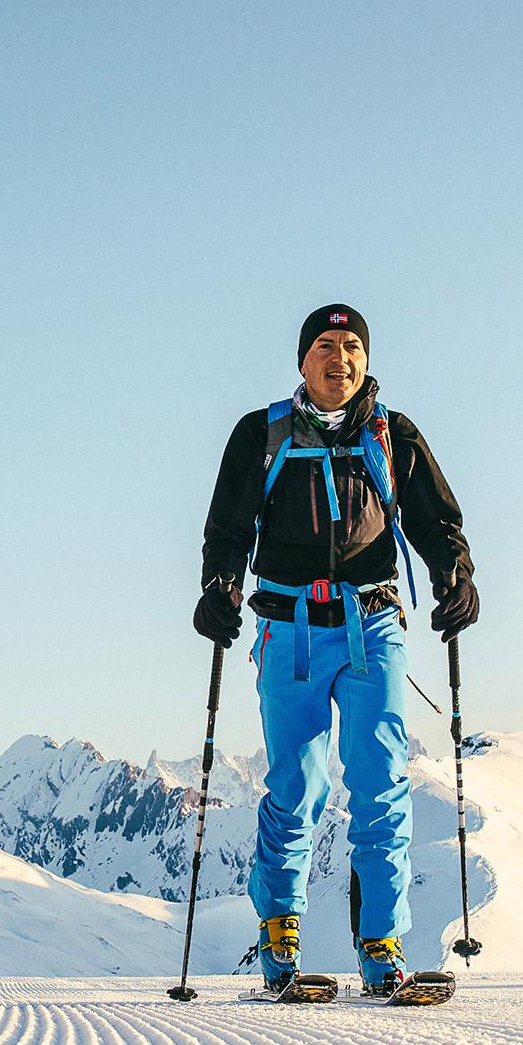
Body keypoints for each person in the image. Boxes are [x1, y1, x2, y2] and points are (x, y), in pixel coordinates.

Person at [194, 304, 478, 995]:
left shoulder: (392, 434)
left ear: (365, 361)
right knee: (297, 784)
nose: (340, 358)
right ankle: (280, 939)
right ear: (303, 361)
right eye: (326, 345)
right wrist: (219, 587)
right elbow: (227, 526)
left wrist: (455, 575)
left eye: (352, 347)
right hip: (286, 629)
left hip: (372, 623)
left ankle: (383, 947)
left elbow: (437, 519)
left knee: (381, 781)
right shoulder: (261, 435)